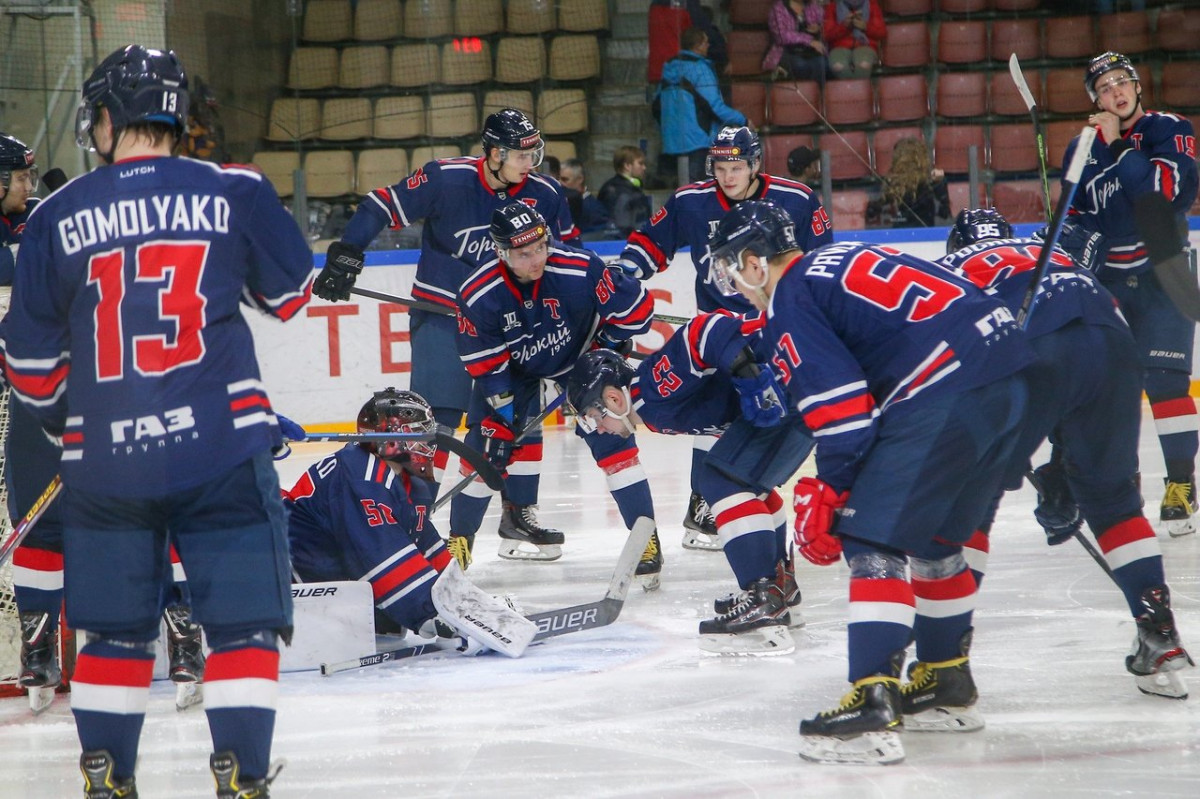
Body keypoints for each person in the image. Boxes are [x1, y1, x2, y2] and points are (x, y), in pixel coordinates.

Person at [3, 44, 313, 796]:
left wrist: (71, 424)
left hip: (107, 465)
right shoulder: (233, 187)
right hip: (222, 445)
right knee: (241, 625)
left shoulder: (52, 214)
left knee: (112, 631)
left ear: (106, 119)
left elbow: (31, 368)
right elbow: (294, 291)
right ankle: (241, 774)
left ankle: (108, 775)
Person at [708, 199, 1034, 765]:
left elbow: (844, 415)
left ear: (757, 263)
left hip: (946, 387)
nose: (736, 287)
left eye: (734, 271)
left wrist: (836, 491)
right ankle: (945, 683)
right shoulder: (842, 254)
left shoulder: (790, 297)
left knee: (870, 539)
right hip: (1014, 379)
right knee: (936, 538)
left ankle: (872, 702)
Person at [936, 209, 1193, 710]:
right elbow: (1074, 352)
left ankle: (945, 661)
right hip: (1115, 339)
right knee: (1116, 503)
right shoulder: (1044, 250)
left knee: (971, 498)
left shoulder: (947, 272)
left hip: (1039, 343)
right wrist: (1064, 466)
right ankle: (1158, 630)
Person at [312, 108, 579, 543]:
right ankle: (420, 524)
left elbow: (568, 254)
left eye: (535, 153)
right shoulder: (446, 179)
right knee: (436, 422)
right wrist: (348, 251)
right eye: (521, 155)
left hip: (511, 324)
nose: (530, 163)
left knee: (518, 417)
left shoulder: (545, 194)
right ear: (493, 153)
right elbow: (381, 204)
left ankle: (517, 513)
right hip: (444, 318)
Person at [618, 126, 832, 552]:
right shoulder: (691, 201)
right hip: (718, 332)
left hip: (775, 325)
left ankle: (781, 495)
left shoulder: (797, 199)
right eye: (720, 167)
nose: (728, 176)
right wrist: (625, 277)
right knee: (714, 413)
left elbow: (818, 261)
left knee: (787, 411)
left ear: (754, 165)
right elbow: (647, 245)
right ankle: (704, 505)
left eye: (736, 167)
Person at [566, 312, 814, 655]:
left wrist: (750, 376)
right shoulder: (651, 413)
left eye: (594, 418)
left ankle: (764, 596)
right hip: (794, 392)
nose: (599, 429)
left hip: (789, 384)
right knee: (748, 484)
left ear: (612, 399)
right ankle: (780, 588)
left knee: (721, 479)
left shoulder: (651, 387)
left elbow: (707, 330)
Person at [451, 203, 663, 587]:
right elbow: (488, 371)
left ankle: (646, 540)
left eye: (540, 248)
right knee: (486, 449)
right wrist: (502, 421)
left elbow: (639, 311)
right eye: (522, 253)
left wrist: (610, 342)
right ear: (500, 252)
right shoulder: (479, 294)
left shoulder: (581, 269)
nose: (535, 260)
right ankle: (458, 548)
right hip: (512, 371)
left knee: (613, 437)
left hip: (579, 357)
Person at [1061, 51, 1200, 537]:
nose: (1116, 91)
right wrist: (1072, 242)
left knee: (1165, 382)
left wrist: (1118, 144)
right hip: (1110, 283)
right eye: (1104, 87)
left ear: (1138, 87)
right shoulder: (1080, 148)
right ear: (1093, 99)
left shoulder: (1168, 129)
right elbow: (1073, 217)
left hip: (1165, 273)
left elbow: (1164, 193)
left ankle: (1182, 483)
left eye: (1123, 82)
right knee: (1109, 389)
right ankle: (1124, 483)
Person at [285, 388, 509, 653]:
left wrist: (466, 602)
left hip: (327, 571)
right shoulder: (362, 478)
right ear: (389, 439)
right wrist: (433, 615)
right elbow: (379, 558)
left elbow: (426, 547)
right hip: (287, 575)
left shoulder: (409, 482)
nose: (428, 441)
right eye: (418, 431)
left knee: (390, 618)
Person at [655, 28, 748, 185]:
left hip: (671, 140)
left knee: (682, 194)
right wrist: (741, 119)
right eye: (705, 42)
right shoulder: (700, 69)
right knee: (699, 194)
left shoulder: (668, 69)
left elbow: (656, 104)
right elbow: (714, 106)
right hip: (697, 140)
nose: (708, 45)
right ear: (697, 46)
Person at [869, 137, 949, 228]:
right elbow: (944, 214)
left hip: (898, 235)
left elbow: (872, 213)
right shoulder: (932, 183)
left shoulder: (893, 184)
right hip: (926, 235)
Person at [763, 0, 829, 83]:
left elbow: (825, 24)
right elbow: (781, 36)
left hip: (810, 52)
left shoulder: (813, 6)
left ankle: (817, 94)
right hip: (786, 51)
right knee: (801, 65)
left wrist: (818, 28)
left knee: (822, 64)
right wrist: (809, 41)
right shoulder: (779, 8)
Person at [823, 0, 885, 80]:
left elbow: (882, 33)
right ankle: (853, 90)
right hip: (839, 47)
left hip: (865, 45)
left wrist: (866, 27)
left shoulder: (872, 5)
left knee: (863, 65)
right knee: (838, 66)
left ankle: (857, 90)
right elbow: (826, 35)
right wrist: (843, 27)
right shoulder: (832, 7)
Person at [596, 147, 650, 237]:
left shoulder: (631, 188)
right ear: (627, 166)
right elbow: (621, 226)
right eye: (640, 164)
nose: (644, 167)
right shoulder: (617, 191)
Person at [560, 157, 611, 234]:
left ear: (580, 179)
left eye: (565, 179)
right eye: (558, 179)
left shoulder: (595, 210)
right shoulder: (561, 203)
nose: (560, 183)